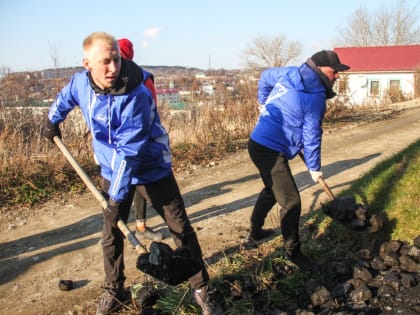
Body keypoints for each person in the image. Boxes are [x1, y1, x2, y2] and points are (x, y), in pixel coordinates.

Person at [42, 32, 222, 315]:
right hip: (111, 169)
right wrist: (52, 120)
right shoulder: (81, 83)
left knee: (180, 229)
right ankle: (115, 290)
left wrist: (115, 198)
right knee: (111, 234)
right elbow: (66, 97)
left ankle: (201, 289)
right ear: (87, 63)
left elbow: (130, 152)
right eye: (106, 62)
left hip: (151, 168)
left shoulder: (136, 94)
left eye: (116, 59)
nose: (114, 67)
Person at [244, 50, 350, 270]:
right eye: (334, 72)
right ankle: (294, 252)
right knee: (291, 201)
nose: (337, 76)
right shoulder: (314, 98)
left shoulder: (290, 72)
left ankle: (254, 233)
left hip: (258, 143)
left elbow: (265, 76)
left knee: (272, 190)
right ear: (320, 69)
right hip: (268, 150)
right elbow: (311, 135)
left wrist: (262, 102)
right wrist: (314, 167)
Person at [118, 38, 163, 241]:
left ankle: (120, 229)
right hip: (137, 142)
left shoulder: (103, 79)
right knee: (134, 182)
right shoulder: (143, 78)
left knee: (120, 185)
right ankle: (135, 227)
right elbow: (151, 110)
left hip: (116, 144)